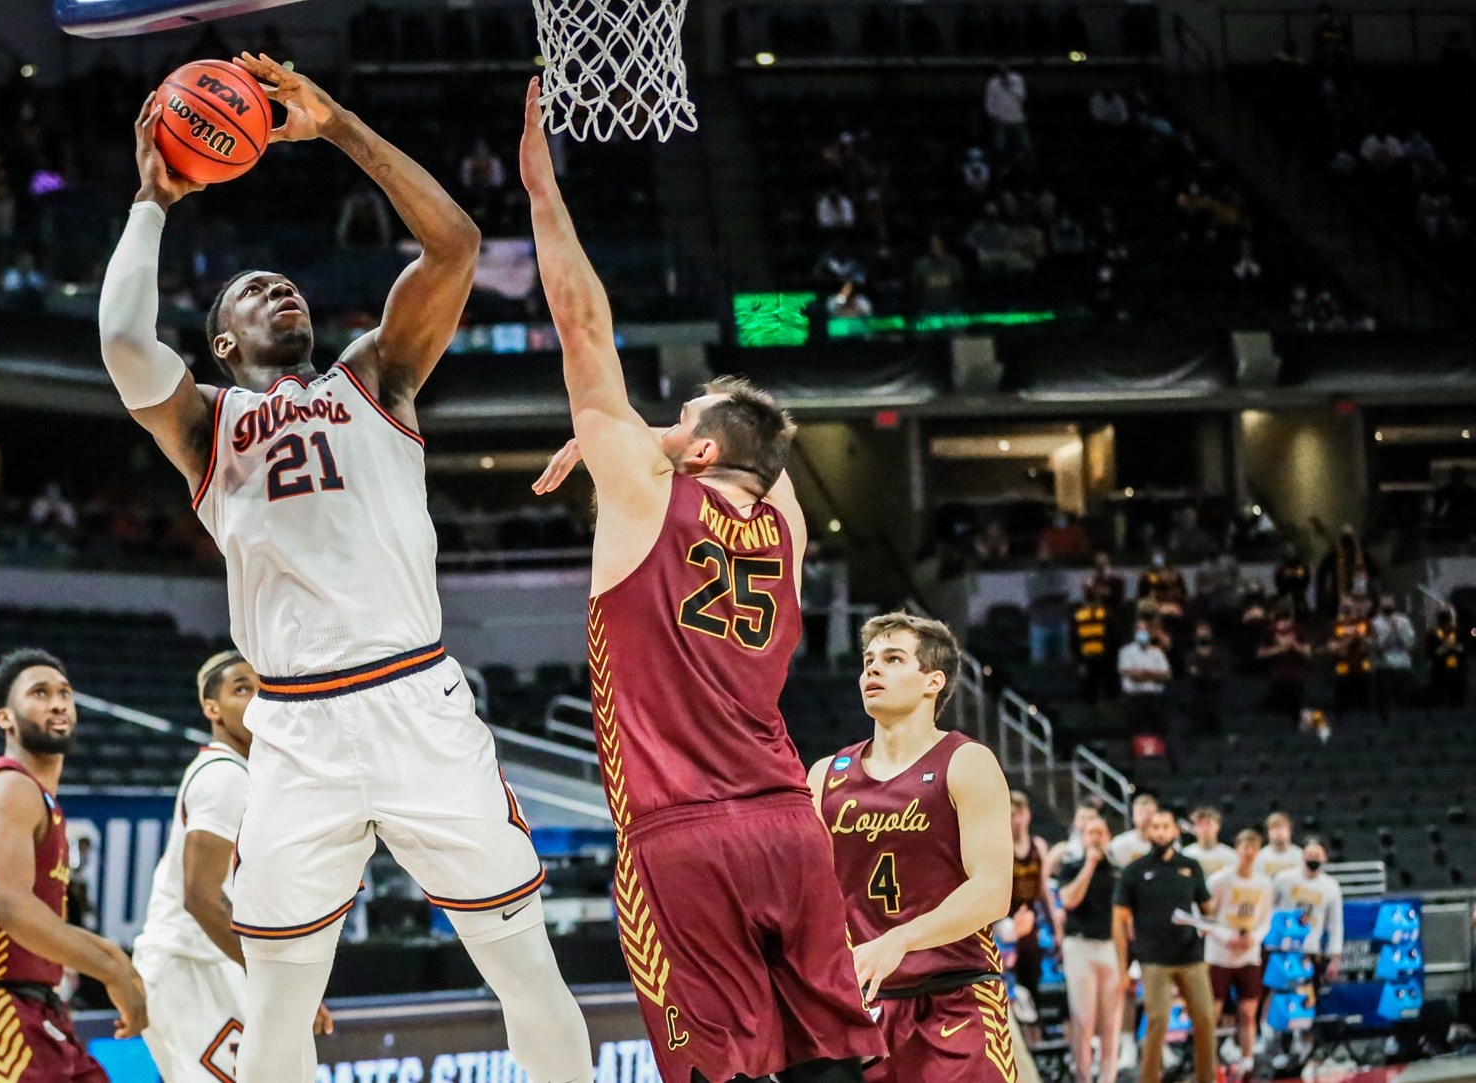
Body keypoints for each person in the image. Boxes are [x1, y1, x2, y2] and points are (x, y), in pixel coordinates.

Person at [99, 64, 589, 1082]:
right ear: (224, 341)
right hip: (297, 728)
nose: (282, 288)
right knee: (279, 1001)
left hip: (416, 697)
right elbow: (118, 340)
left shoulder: (374, 375)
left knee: (525, 969)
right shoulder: (205, 428)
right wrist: (152, 197)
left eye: (289, 285)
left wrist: (340, 129)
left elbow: (454, 243)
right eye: (253, 291)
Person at [523, 80, 882, 1083]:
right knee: (831, 1060)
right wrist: (626, 442)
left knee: (718, 1069)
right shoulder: (788, 517)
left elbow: (583, 328)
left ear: (703, 446)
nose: (659, 425)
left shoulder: (647, 491)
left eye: (678, 418)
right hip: (787, 825)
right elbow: (743, 450)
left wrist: (543, 192)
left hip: (682, 836)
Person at [809, 613, 1017, 1083]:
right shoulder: (825, 774)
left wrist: (900, 939)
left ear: (933, 681)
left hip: (956, 994)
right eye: (868, 661)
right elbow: (810, 896)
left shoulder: (967, 762)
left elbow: (992, 892)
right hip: (862, 1007)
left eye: (893, 659)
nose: (872, 671)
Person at [0, 651, 148, 1083]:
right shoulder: (10, 786)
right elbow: (11, 910)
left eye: (65, 693)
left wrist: (114, 958)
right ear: (5, 719)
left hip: (41, 1010)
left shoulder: (43, 801)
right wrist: (110, 968)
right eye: (39, 693)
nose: (57, 703)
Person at [132, 652, 334, 1082]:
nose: (258, 700)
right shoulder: (224, 776)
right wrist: (277, 978)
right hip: (189, 965)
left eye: (264, 690)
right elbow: (200, 897)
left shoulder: (249, 776)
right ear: (212, 708)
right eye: (242, 689)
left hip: (214, 961)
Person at [1112, 808, 1218, 1083]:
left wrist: (1206, 925)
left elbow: (1208, 912)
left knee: (1206, 1018)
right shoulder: (1134, 871)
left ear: (1174, 831)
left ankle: (1207, 1078)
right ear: (1148, 832)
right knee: (1157, 1020)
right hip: (1153, 959)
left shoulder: (1190, 866)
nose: (1160, 832)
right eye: (1155, 827)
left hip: (1190, 956)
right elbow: (1119, 920)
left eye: (1165, 826)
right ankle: (1149, 1079)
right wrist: (1123, 968)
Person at [1054, 814, 1123, 1083]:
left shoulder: (1118, 871)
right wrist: (1089, 866)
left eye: (1100, 832)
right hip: (1080, 946)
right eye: (1090, 832)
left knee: (1111, 1022)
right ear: (1082, 838)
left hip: (1110, 947)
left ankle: (1108, 1078)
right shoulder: (1071, 866)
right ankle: (1083, 1077)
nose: (1096, 837)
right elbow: (1069, 900)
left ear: (1108, 837)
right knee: (1083, 1018)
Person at [1205, 829, 1274, 1081]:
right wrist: (1227, 937)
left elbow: (1266, 920)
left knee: (1248, 1011)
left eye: (1254, 847)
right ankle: (1209, 1063)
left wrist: (1253, 938)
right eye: (1245, 847)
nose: (1249, 853)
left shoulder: (1264, 883)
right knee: (1212, 1012)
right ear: (1237, 849)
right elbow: (1205, 919)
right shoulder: (1219, 881)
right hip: (1219, 955)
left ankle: (1247, 1061)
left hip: (1249, 956)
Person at [1271, 839, 1344, 986]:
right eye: (1310, 854)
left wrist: (1335, 958)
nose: (1313, 858)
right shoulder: (1283, 879)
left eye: (1317, 855)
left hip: (1310, 949)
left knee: (1307, 998)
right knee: (1275, 992)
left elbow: (1335, 925)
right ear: (1302, 856)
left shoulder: (1331, 887)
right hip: (1282, 948)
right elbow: (1269, 910)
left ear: (1325, 858)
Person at [1009, 791, 1055, 1016]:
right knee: (1010, 972)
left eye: (1020, 813)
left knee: (1032, 972)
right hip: (1007, 916)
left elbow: (1045, 890)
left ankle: (1034, 1026)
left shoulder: (1038, 845)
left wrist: (1057, 926)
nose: (1017, 820)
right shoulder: (1001, 845)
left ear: (1027, 815)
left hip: (1031, 916)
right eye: (1012, 814)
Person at [1119, 621, 1172, 748]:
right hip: (1135, 697)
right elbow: (1129, 674)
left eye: (1144, 631)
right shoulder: (1126, 652)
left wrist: (1143, 674)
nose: (1142, 633)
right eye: (1139, 630)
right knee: (1135, 730)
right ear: (1134, 633)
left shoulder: (1157, 653)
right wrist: (1153, 675)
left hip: (1154, 696)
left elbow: (1166, 675)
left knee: (1159, 729)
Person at [1258, 613, 1311, 728]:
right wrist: (1279, 649)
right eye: (1280, 621)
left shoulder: (1299, 632)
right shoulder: (1270, 633)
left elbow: (1307, 653)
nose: (1282, 624)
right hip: (1277, 674)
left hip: (1296, 674)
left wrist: (1294, 645)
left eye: (1285, 620)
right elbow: (1261, 653)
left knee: (1298, 702)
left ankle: (1300, 725)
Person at [1370, 594, 1415, 723]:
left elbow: (1410, 643)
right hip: (1384, 664)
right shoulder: (1375, 622)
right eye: (1385, 603)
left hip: (1402, 663)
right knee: (1384, 693)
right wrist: (1390, 632)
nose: (1387, 606)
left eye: (1389, 603)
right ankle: (1385, 718)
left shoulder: (1404, 621)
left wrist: (1398, 631)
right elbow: (1376, 645)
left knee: (1402, 692)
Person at [1073, 586, 1119, 703]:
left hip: (1099, 660)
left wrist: (1079, 661)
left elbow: (1074, 643)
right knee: (1096, 692)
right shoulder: (1104, 614)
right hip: (1098, 660)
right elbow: (1115, 638)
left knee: (1099, 693)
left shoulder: (1103, 615)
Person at [1026, 558, 1070, 665]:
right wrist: (1052, 595)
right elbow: (1036, 597)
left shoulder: (1060, 576)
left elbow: (1064, 594)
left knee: (1063, 661)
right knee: (1039, 662)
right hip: (1039, 624)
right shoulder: (1032, 578)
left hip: (1059, 622)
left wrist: (1047, 595)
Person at [984, 64, 1030, 157]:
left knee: (1026, 144)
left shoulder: (1017, 79)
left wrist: (1009, 85)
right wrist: (992, 115)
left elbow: (1022, 96)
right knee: (999, 147)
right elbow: (989, 101)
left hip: (1017, 118)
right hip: (1001, 120)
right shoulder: (992, 83)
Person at [1427, 607, 1466, 712]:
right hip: (1440, 668)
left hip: (1456, 667)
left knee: (1457, 693)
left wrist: (1452, 647)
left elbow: (1464, 648)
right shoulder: (1434, 633)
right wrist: (1443, 648)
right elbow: (1431, 652)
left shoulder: (1458, 632)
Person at [1183, 807, 1236, 880]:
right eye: (1200, 824)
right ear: (1194, 828)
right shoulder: (1186, 855)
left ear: (1217, 825)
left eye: (1208, 823)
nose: (1205, 828)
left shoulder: (1231, 856)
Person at [1109, 793, 1157, 868]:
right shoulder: (1119, 844)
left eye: (1149, 813)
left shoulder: (1164, 844)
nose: (1145, 817)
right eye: (1140, 813)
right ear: (1133, 816)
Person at [1256, 813, 1304, 882]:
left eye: (1281, 828)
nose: (1278, 832)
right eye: (1274, 828)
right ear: (1268, 833)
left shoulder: (1300, 855)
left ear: (1289, 830)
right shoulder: (1260, 856)